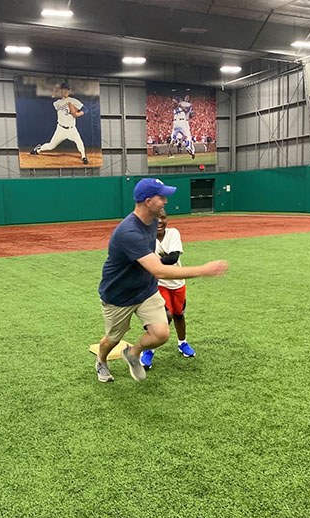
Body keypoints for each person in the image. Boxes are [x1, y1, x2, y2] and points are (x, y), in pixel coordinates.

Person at [95, 178, 228, 383]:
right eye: (161, 197)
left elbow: (151, 259)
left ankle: (133, 353)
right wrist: (203, 270)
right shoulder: (129, 232)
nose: (166, 201)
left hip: (145, 290)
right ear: (148, 201)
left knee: (161, 333)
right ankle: (102, 361)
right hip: (119, 295)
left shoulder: (153, 222)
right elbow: (160, 271)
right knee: (113, 338)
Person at [140, 212, 194, 371]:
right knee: (165, 316)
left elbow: (173, 258)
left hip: (177, 283)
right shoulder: (146, 238)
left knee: (178, 314)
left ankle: (182, 342)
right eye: (156, 218)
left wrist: (152, 263)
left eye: (163, 217)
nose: (160, 221)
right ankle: (149, 350)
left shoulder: (173, 233)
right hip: (159, 284)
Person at [30, 81, 89, 165]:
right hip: (60, 129)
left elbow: (86, 109)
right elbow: (53, 100)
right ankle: (38, 149)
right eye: (64, 89)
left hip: (72, 129)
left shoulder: (73, 101)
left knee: (79, 142)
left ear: (69, 91)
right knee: (51, 146)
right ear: (61, 91)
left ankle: (83, 157)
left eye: (67, 90)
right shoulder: (57, 103)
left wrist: (77, 114)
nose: (65, 91)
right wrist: (54, 90)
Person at [168, 95, 195, 160]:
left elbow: (176, 105)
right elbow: (186, 110)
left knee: (173, 139)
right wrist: (180, 104)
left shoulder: (174, 108)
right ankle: (188, 147)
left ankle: (170, 151)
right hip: (182, 122)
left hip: (175, 123)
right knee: (188, 137)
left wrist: (178, 103)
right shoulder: (182, 106)